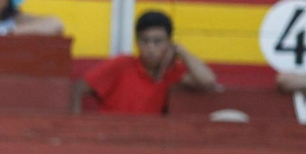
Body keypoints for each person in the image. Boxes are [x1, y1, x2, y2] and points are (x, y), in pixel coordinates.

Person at [75, 8, 216, 112]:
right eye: (145, 41)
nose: (150, 47)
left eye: (157, 41)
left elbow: (207, 81)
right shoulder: (121, 64)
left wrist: (180, 50)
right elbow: (78, 89)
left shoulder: (173, 72)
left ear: (169, 43)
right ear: (137, 42)